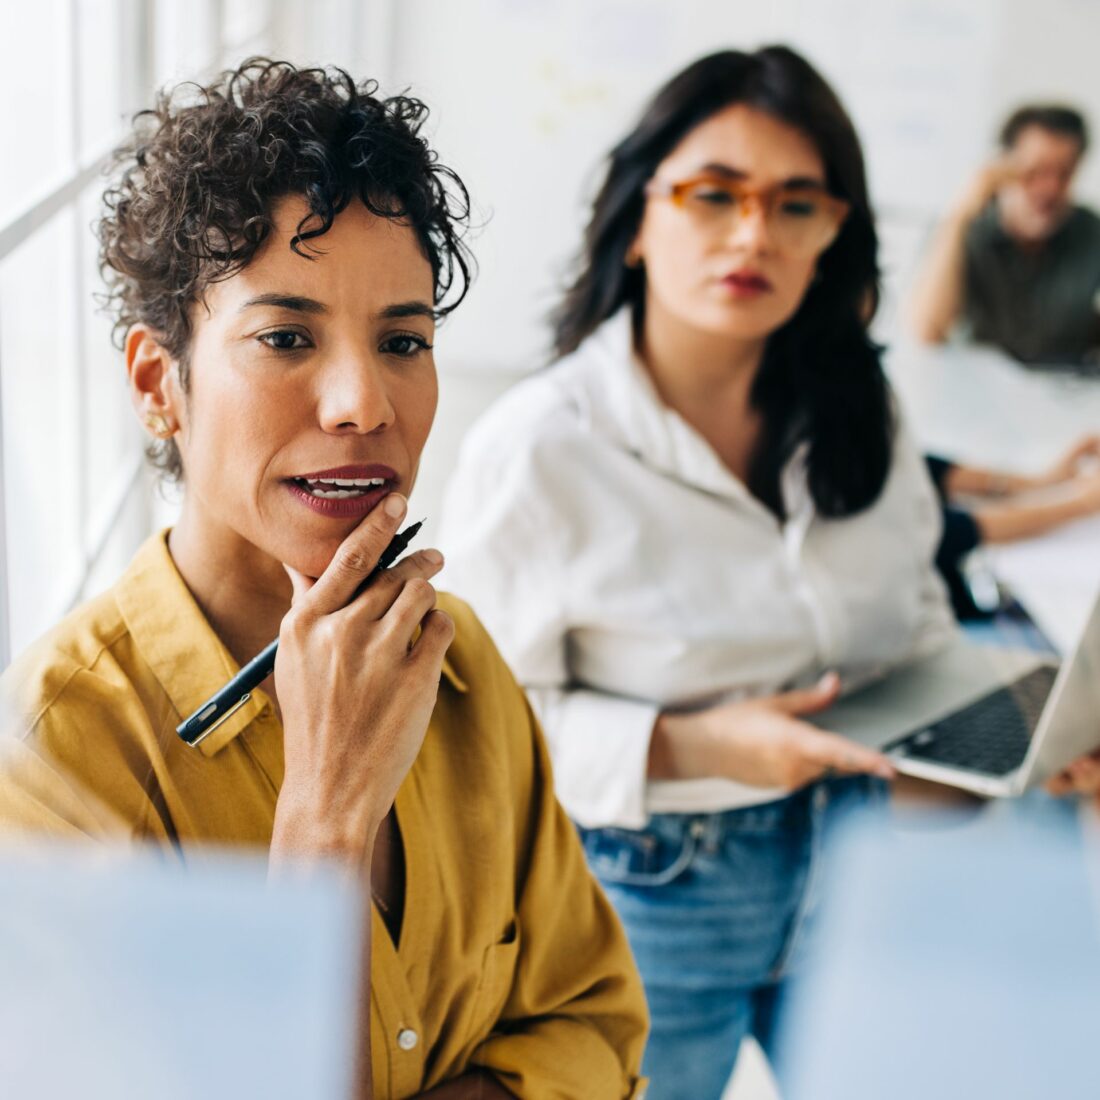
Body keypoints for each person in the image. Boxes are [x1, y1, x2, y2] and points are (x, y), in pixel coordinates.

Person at [0, 60, 647, 1100]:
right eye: (287, 336)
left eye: (403, 340)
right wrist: (324, 821)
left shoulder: (461, 658)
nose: (361, 401)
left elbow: (596, 1022)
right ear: (158, 383)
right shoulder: (52, 767)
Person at [438, 47, 957, 1099]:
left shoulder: (863, 412)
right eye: (712, 194)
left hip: (860, 857)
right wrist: (689, 743)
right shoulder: (541, 446)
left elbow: (918, 628)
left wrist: (1002, 744)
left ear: (832, 234)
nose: (753, 233)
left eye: (795, 204)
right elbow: (473, 735)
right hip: (648, 889)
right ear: (639, 221)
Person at [908, 104, 1100, 365]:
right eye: (1035, 171)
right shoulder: (964, 229)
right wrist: (960, 217)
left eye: (1064, 174)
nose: (1050, 188)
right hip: (980, 393)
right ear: (1003, 168)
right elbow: (927, 331)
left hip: (1064, 394)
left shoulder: (1089, 230)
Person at [926, 437, 1100, 621]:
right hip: (955, 605)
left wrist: (1040, 482)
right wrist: (1082, 503)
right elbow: (956, 531)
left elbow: (924, 470)